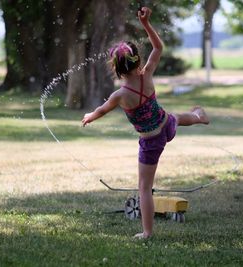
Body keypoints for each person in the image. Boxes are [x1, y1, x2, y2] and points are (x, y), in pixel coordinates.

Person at [81, 6, 209, 239]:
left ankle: (147, 232)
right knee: (179, 118)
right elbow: (158, 48)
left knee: (144, 188)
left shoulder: (120, 95)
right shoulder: (147, 74)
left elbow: (102, 110)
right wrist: (147, 25)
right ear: (137, 59)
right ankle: (200, 117)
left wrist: (90, 116)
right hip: (166, 124)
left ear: (116, 69)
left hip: (152, 142)